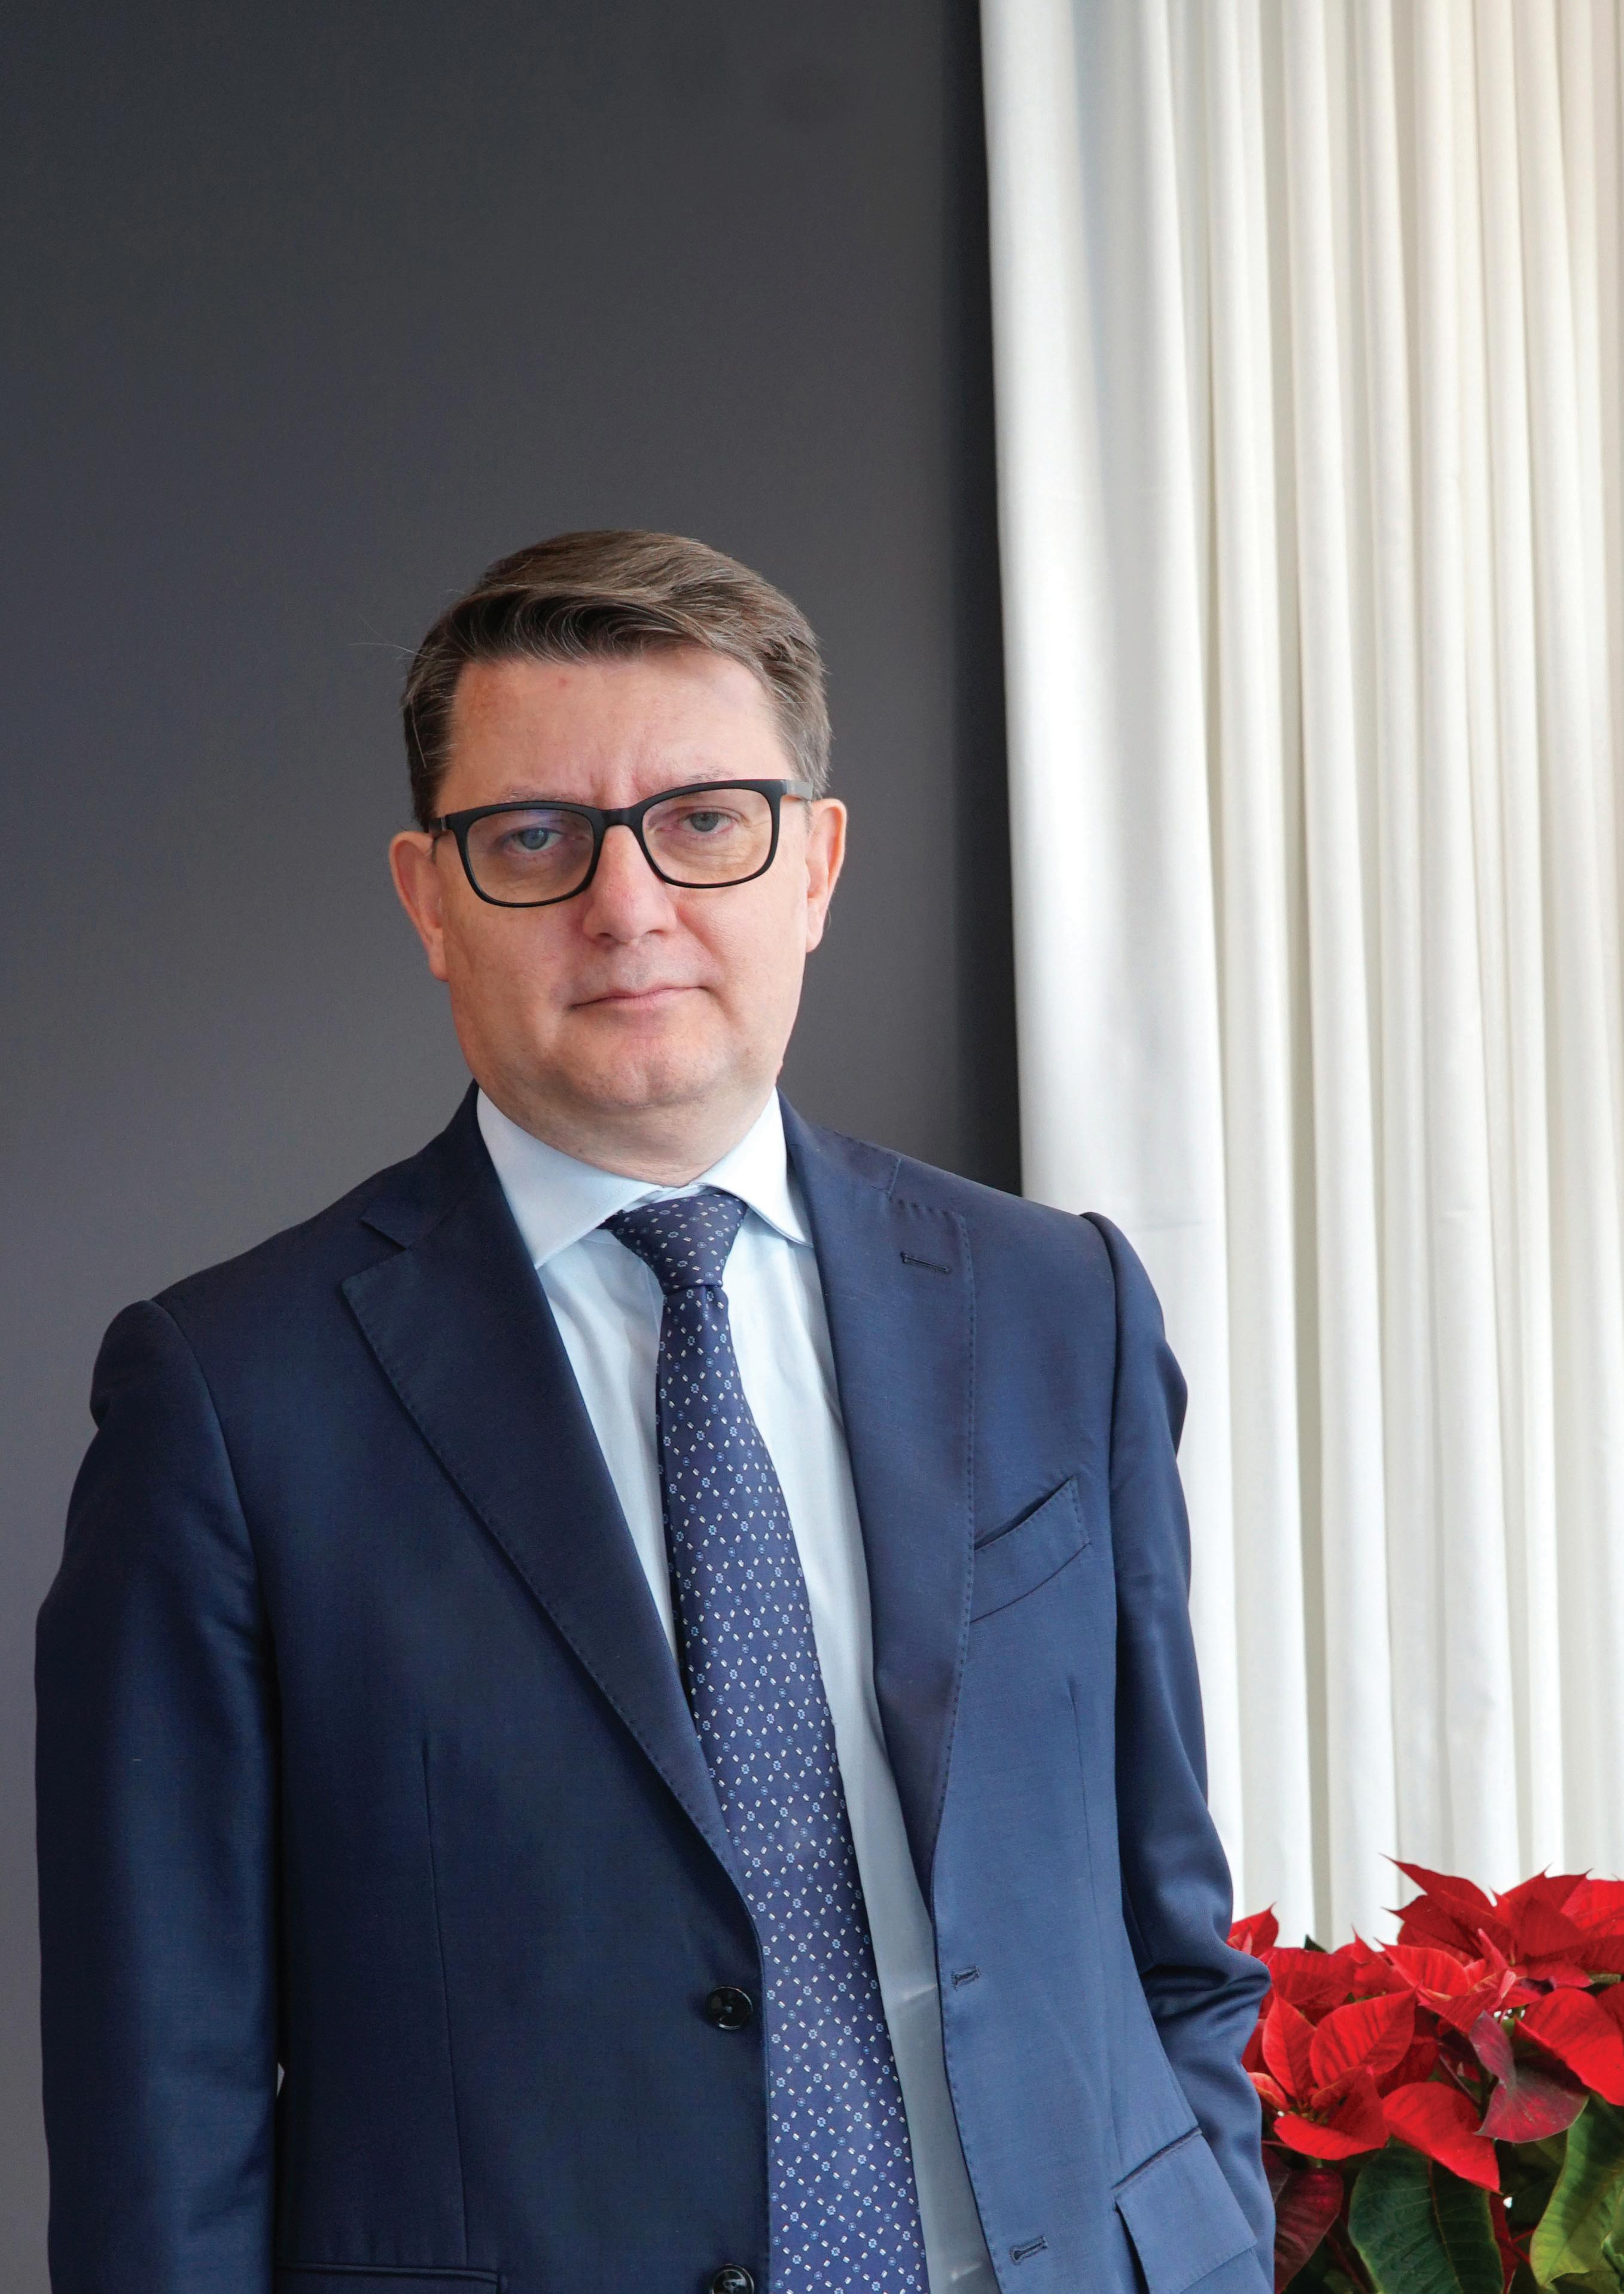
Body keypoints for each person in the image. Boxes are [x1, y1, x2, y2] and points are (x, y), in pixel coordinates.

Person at [36, 531, 1272, 2294]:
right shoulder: (229, 1400)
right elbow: (163, 2108)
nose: (628, 907)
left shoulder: (1056, 1304)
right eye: (536, 836)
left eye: (703, 821)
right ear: (429, 898)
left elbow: (1170, 1929)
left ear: (814, 864)